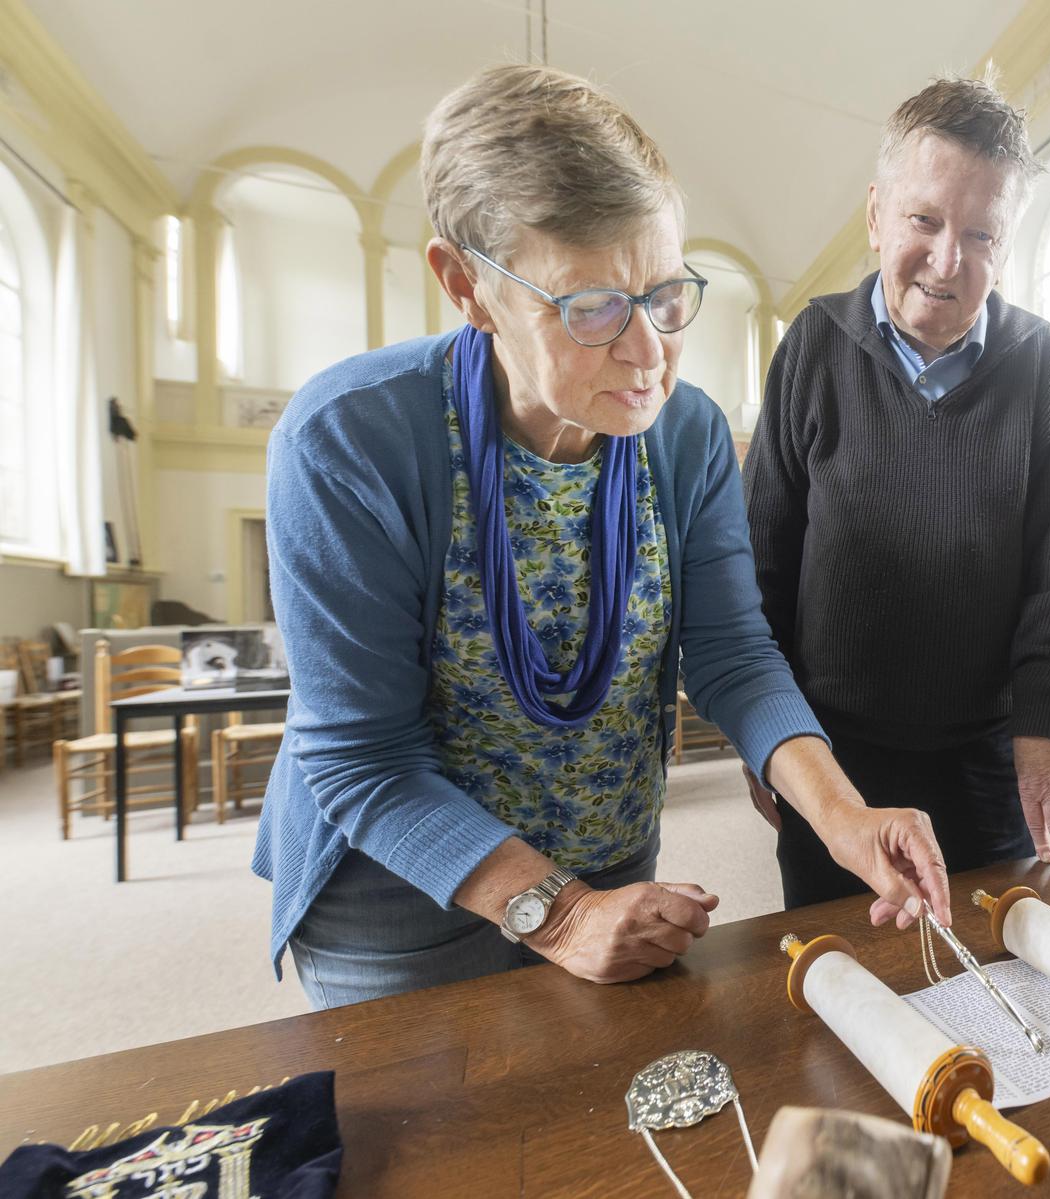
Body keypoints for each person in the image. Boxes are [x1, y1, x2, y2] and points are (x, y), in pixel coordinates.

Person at [254, 64, 951, 1009]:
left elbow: (733, 654)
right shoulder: (347, 438)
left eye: (665, 295)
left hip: (615, 866)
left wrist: (842, 815)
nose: (648, 352)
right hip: (400, 903)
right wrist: (561, 913)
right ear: (466, 285)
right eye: (589, 308)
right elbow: (362, 758)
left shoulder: (688, 429)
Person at [743, 77, 1050, 912]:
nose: (948, 261)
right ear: (877, 215)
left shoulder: (1041, 363)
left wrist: (1048, 725)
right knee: (844, 991)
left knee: (999, 967)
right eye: (925, 220)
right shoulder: (812, 349)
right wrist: (767, 744)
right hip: (835, 764)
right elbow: (759, 566)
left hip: (988, 762)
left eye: (981, 234)